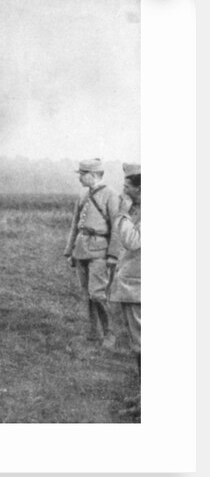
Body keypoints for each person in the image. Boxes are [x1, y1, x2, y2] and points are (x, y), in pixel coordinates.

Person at [64, 158, 121, 348]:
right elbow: (75, 224)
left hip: (100, 251)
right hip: (81, 250)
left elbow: (117, 227)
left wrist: (113, 255)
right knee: (87, 294)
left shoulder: (111, 195)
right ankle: (93, 332)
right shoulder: (82, 194)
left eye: (83, 174)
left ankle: (110, 333)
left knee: (97, 294)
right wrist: (70, 251)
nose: (80, 178)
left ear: (94, 175)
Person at [109, 163, 141, 415]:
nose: (123, 191)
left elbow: (131, 241)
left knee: (143, 346)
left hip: (139, 288)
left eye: (127, 186)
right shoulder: (139, 210)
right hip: (134, 286)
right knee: (139, 345)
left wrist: (122, 213)